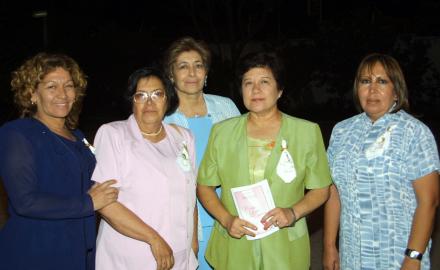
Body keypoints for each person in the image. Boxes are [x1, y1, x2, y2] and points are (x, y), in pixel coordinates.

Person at [197, 51, 332, 270]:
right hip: (236, 242)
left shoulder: (306, 132)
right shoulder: (222, 133)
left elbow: (321, 189)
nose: (255, 89)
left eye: (264, 82)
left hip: (284, 242)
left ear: (279, 90)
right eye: (248, 83)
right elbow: (204, 186)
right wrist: (226, 219)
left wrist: (293, 212)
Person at [0, 52, 118, 270]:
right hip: (36, 253)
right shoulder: (17, 133)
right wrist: (88, 203)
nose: (62, 94)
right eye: (51, 86)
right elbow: (25, 201)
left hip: (80, 253)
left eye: (69, 86)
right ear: (32, 94)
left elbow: (96, 184)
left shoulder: (79, 136)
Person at [323, 53, 440, 270]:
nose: (372, 89)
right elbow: (334, 192)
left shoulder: (414, 133)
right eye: (365, 81)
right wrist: (330, 246)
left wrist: (413, 257)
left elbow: (429, 201)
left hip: (397, 256)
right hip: (352, 255)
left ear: (396, 91)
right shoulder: (342, 131)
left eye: (382, 81)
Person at [92, 67, 198, 270]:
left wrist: (192, 244)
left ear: (168, 100)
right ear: (132, 101)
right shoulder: (114, 135)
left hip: (179, 255)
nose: (149, 102)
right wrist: (153, 238)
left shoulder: (183, 138)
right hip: (133, 253)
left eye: (157, 94)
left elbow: (189, 194)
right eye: (141, 95)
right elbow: (105, 204)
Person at [163, 36, 240, 269]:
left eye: (198, 65)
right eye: (183, 66)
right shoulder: (163, 117)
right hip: (185, 217)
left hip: (228, 212)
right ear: (171, 74)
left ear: (206, 72)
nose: (192, 73)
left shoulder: (225, 106)